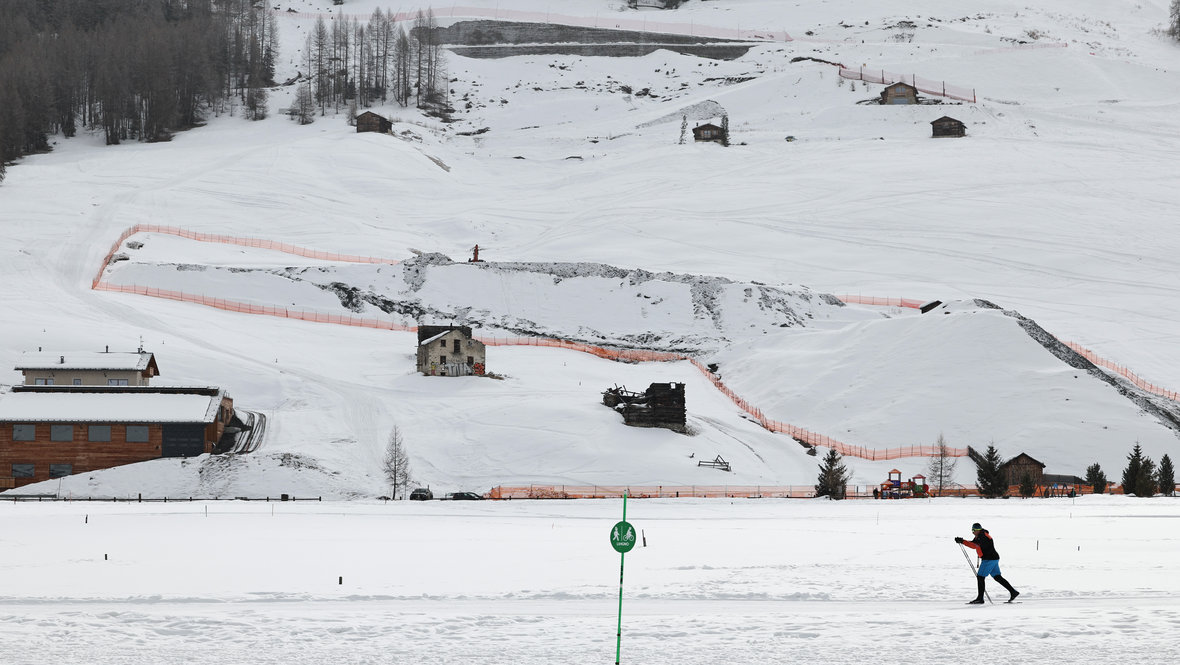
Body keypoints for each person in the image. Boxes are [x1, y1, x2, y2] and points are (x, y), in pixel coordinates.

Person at [954, 522, 1020, 604]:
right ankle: (1013, 592)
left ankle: (980, 599)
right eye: (972, 530)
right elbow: (974, 543)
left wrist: (963, 541)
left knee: (980, 577)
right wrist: (962, 541)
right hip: (994, 559)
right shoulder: (981, 535)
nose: (972, 532)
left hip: (989, 559)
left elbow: (974, 545)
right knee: (997, 577)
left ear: (978, 530)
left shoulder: (982, 537)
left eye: (973, 530)